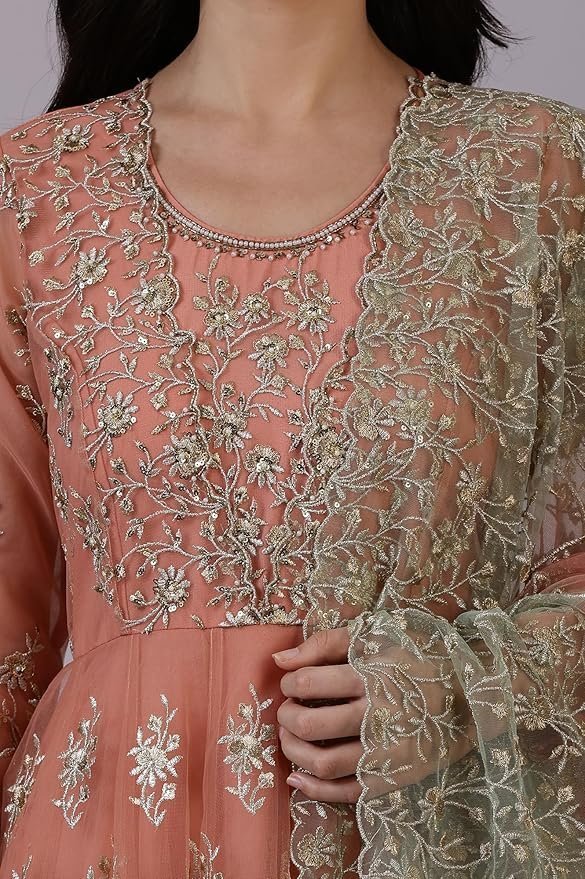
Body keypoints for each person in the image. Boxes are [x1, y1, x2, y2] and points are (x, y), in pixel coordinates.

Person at [0, 1, 584, 877]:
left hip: (428, 839)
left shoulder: (541, 171)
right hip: (100, 839)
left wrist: (462, 688)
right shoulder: (32, 189)